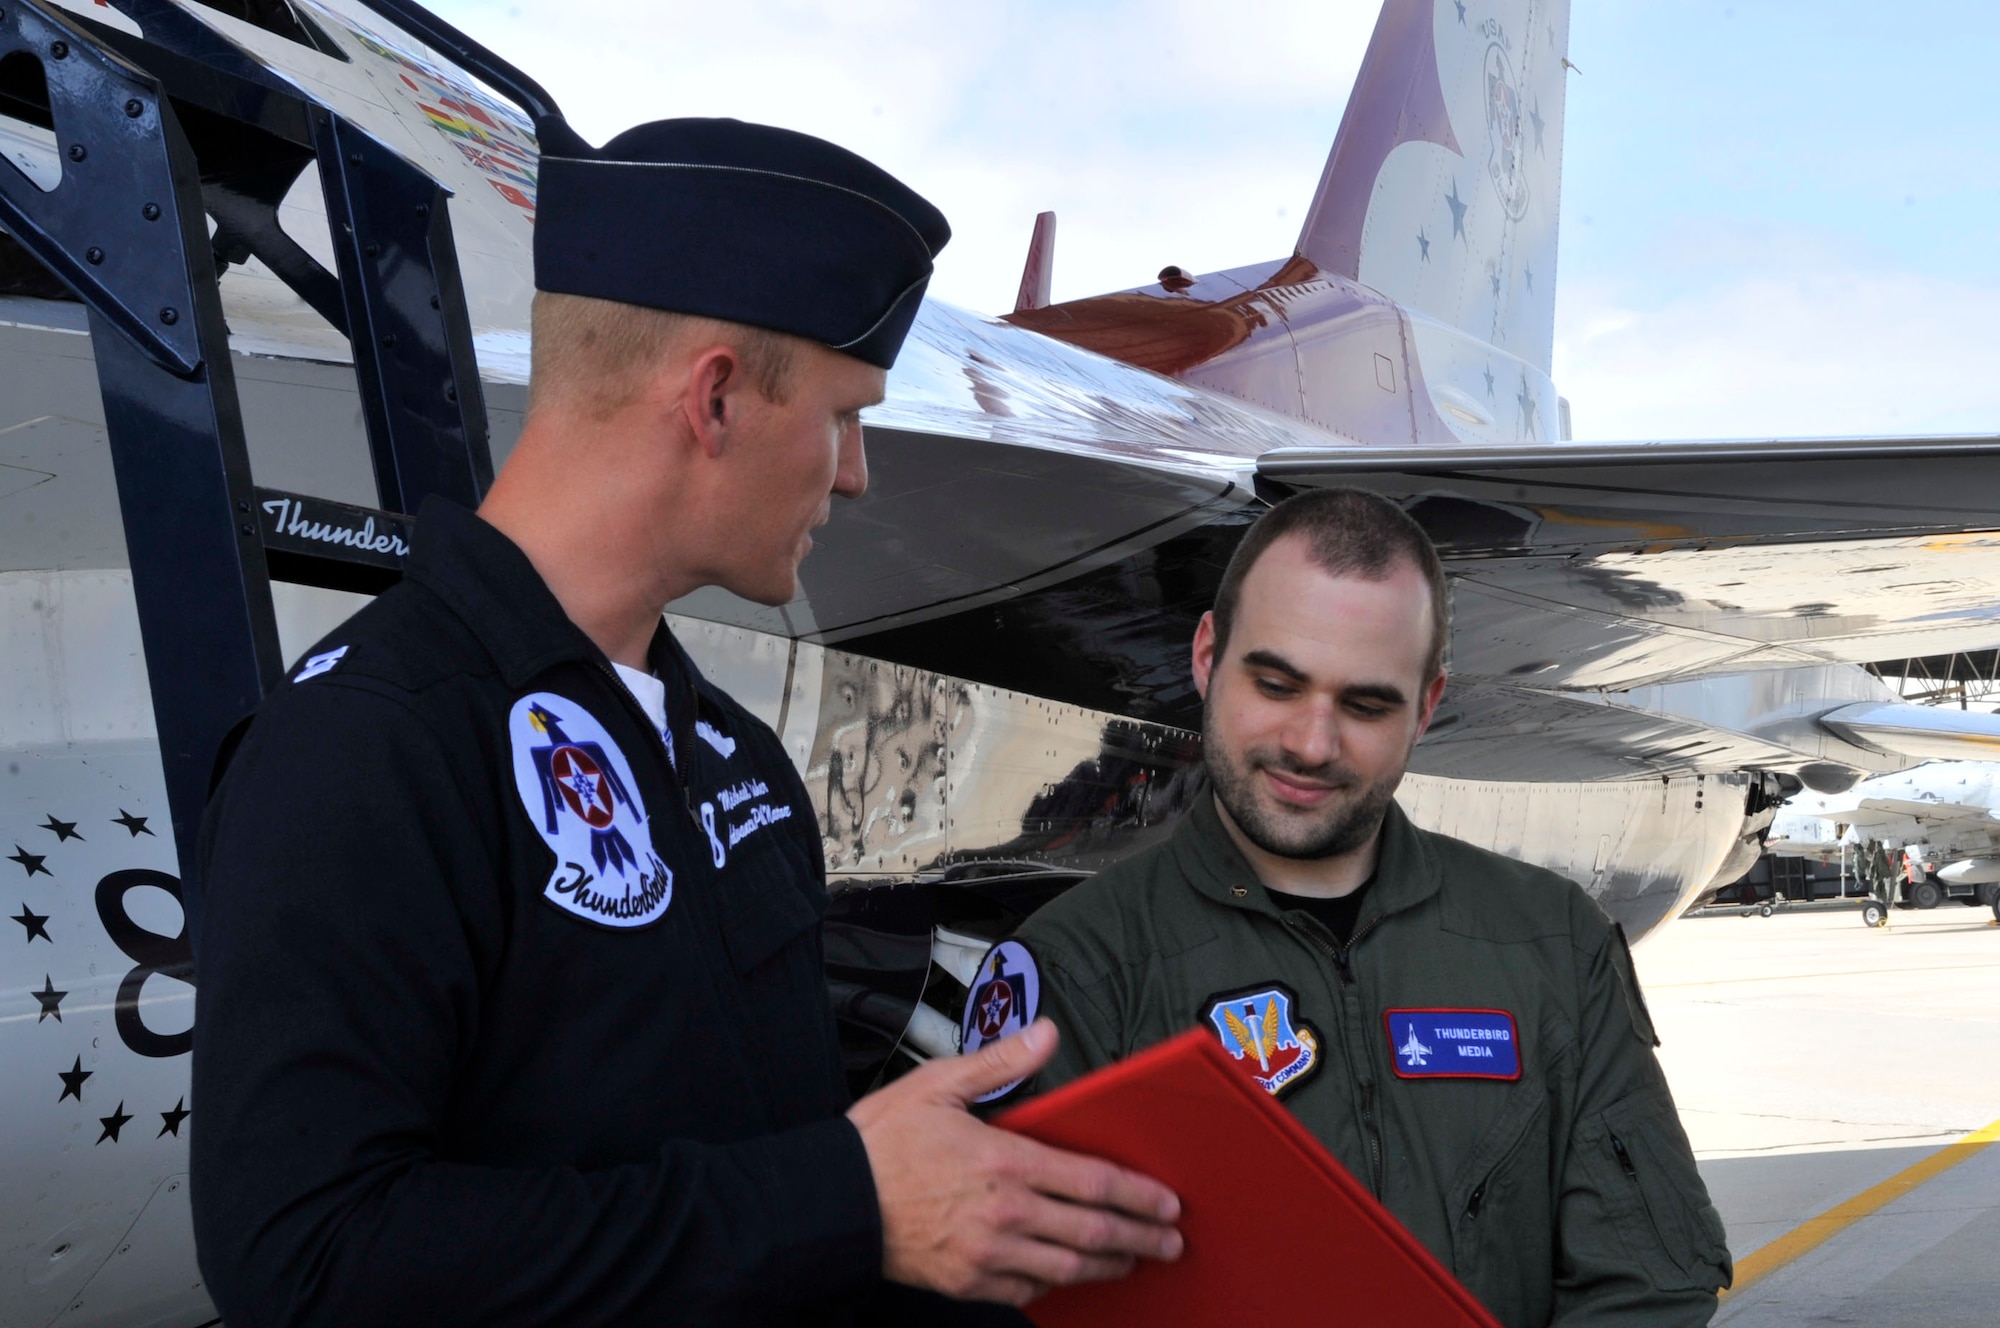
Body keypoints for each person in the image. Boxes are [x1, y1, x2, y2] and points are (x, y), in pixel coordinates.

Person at [190, 118, 1181, 1327]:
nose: (855, 472)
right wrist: (843, 1198)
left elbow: (766, 1201)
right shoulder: (370, 743)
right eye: (842, 415)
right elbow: (309, 1264)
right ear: (714, 398)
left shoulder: (731, 758)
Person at [1013, 488, 1733, 1327]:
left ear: (1427, 706)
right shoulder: (1080, 970)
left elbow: (1649, 1283)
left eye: (1365, 705)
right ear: (1208, 656)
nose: (1312, 745)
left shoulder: (1549, 940)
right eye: (1277, 684)